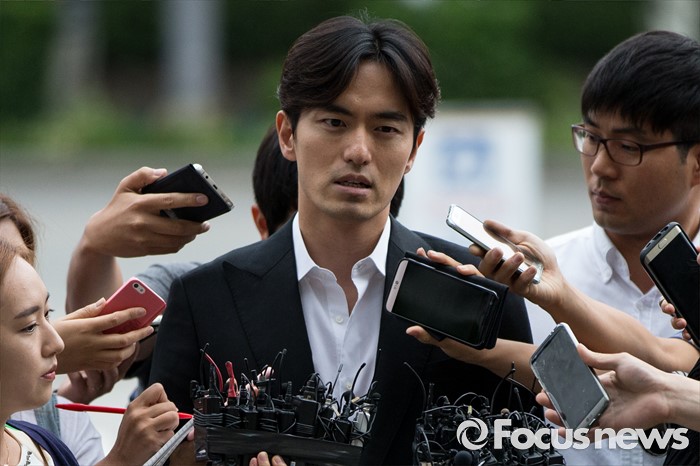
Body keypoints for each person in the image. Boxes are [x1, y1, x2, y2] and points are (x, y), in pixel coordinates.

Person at [149, 14, 532, 465]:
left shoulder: (480, 294)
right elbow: (165, 451)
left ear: (414, 149)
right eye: (334, 122)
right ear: (288, 135)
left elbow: (524, 449)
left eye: (386, 129)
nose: (358, 151)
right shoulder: (206, 299)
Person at [524, 29, 699, 466]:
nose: (600, 166)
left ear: (697, 162)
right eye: (590, 137)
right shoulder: (530, 281)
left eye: (628, 146)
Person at [0, 239, 181, 466]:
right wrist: (121, 459)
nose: (58, 343)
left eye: (47, 314)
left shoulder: (43, 445)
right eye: (29, 327)